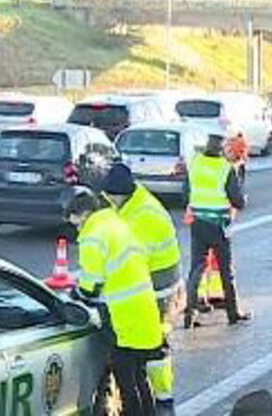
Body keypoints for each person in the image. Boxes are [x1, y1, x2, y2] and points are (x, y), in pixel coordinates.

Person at [77, 180, 166, 415]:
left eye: (74, 221)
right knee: (139, 376)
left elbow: (90, 285)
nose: (75, 228)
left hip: (123, 318)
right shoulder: (117, 222)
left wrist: (76, 294)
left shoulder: (92, 235)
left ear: (83, 215)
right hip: (143, 311)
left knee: (126, 382)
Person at [102, 163, 181, 409]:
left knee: (156, 345)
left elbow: (130, 262)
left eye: (111, 196)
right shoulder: (129, 205)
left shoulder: (144, 215)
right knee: (147, 344)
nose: (108, 200)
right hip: (148, 287)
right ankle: (152, 393)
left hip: (158, 291)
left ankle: (164, 398)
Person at [184, 133, 252, 329]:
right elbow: (237, 201)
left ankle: (189, 315)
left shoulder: (195, 163)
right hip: (219, 225)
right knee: (225, 270)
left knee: (196, 269)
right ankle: (233, 314)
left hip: (198, 223)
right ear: (222, 149)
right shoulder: (225, 168)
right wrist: (242, 199)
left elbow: (185, 193)